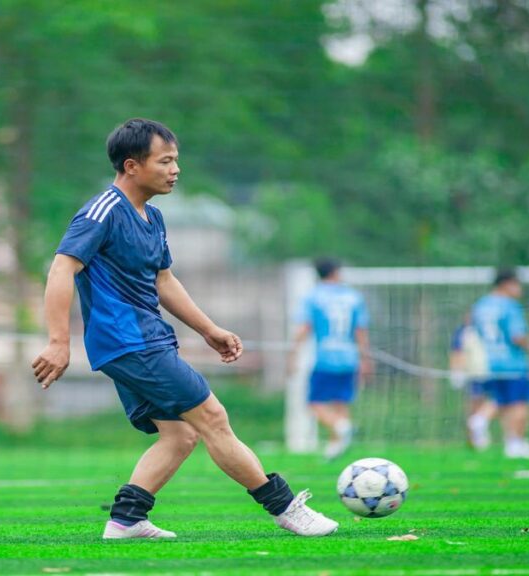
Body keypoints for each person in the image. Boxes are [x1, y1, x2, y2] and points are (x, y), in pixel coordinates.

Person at [31, 118, 337, 540]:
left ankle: (126, 520)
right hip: (128, 340)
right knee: (212, 416)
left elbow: (164, 281)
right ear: (132, 165)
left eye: (176, 161)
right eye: (166, 161)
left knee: (180, 434)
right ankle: (285, 508)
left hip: (143, 338)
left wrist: (210, 330)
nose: (175, 170)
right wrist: (58, 342)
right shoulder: (102, 211)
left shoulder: (153, 217)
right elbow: (62, 268)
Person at [287, 258, 372, 460]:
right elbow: (360, 330)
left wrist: (293, 354)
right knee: (341, 402)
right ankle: (336, 446)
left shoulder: (314, 297)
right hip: (349, 357)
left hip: (326, 357)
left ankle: (339, 428)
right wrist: (365, 358)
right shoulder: (353, 297)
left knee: (314, 402)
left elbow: (304, 328)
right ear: (336, 272)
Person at [469, 269, 529, 459]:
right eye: (517, 284)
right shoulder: (510, 306)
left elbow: (477, 331)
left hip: (493, 362)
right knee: (520, 404)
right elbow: (517, 336)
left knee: (503, 403)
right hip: (514, 363)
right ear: (507, 284)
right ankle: (515, 441)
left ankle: (510, 442)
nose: (520, 289)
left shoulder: (481, 305)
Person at [448, 313, 497, 450]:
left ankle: (480, 428)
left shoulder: (486, 329)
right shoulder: (463, 331)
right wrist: (456, 371)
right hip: (476, 372)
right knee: (476, 404)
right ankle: (474, 440)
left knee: (496, 401)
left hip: (490, 370)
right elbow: (457, 352)